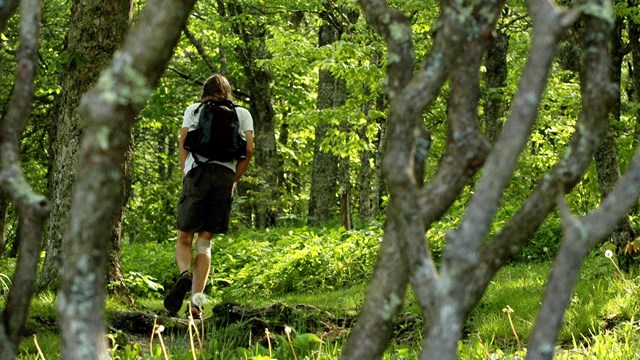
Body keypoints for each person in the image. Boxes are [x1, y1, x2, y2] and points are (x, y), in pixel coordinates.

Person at [164, 74, 254, 318]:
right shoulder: (241, 113)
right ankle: (196, 304)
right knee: (205, 243)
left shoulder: (194, 110)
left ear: (205, 91)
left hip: (197, 174)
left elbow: (184, 141)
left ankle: (184, 275)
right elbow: (249, 149)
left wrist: (186, 172)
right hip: (224, 176)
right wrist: (233, 178)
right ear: (227, 92)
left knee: (184, 239)